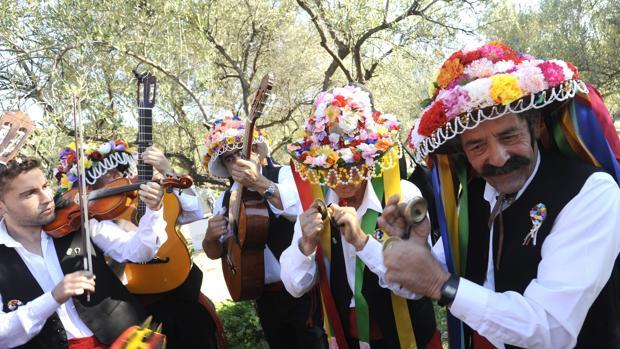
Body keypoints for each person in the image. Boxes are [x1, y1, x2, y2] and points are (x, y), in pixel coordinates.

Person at [380, 41, 620, 349]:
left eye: (509, 135)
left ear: (535, 125)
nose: (498, 158)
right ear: (463, 152)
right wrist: (411, 247)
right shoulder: (476, 197)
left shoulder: (590, 192)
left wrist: (442, 284)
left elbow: (550, 329)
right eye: (477, 146)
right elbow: (417, 282)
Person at [280, 85, 442, 349]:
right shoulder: (313, 205)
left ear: (371, 158)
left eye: (354, 166)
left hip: (408, 338)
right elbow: (295, 287)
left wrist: (363, 243)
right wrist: (305, 246)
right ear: (318, 167)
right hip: (346, 339)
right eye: (331, 169)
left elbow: (418, 286)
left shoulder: (401, 195)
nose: (344, 179)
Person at [55, 139, 222, 349]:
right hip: (144, 310)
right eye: (108, 174)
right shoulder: (94, 222)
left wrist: (167, 170)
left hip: (185, 292)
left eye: (119, 170)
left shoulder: (141, 193)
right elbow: (136, 252)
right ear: (89, 187)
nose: (118, 176)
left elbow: (194, 211)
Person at [0, 157, 166, 348]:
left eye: (45, 186)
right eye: (29, 194)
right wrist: (52, 298)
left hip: (124, 339)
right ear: (2, 205)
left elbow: (139, 252)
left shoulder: (78, 219)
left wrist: (154, 211)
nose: (46, 198)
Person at [201, 115, 326, 349]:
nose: (237, 161)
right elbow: (214, 252)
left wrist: (259, 182)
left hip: (302, 292)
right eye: (229, 158)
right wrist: (210, 238)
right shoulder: (224, 199)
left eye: (242, 152)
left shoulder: (286, 175)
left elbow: (301, 207)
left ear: (258, 151)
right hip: (262, 295)